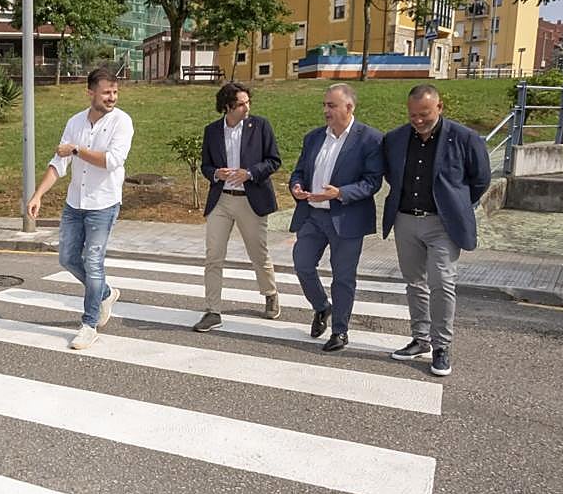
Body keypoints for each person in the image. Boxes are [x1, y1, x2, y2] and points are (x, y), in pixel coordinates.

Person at [381, 84, 490, 377]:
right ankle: (420, 339)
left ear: (439, 108)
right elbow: (392, 173)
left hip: (442, 223)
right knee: (414, 282)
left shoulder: (465, 138)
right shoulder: (395, 139)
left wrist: (456, 206)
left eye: (425, 114)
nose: (418, 120)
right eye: (413, 114)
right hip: (405, 219)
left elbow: (480, 180)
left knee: (442, 282)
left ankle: (442, 346)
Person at [27, 68, 134, 350]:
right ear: (90, 93)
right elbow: (58, 162)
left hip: (104, 203)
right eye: (106, 92)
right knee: (66, 258)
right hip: (75, 203)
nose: (112, 97)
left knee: (93, 262)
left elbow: (112, 161)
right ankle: (106, 293)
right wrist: (37, 195)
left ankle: (89, 324)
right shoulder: (75, 122)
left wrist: (75, 150)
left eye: (115, 92)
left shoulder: (122, 122)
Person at [288, 83, 384, 352]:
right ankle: (322, 307)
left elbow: (372, 182)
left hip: (347, 218)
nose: (325, 110)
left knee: (343, 278)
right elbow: (298, 171)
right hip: (313, 216)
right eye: (324, 105)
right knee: (302, 264)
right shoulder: (314, 137)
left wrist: (339, 193)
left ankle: (340, 331)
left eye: (331, 105)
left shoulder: (370, 139)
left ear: (349, 107)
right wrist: (296, 187)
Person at [192, 82, 282, 333]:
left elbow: (274, 160)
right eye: (241, 104)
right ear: (227, 107)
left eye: (248, 102)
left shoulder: (260, 126)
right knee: (213, 257)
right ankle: (212, 311)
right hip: (221, 200)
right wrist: (216, 174)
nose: (247, 107)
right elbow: (205, 166)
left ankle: (270, 292)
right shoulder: (212, 131)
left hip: (250, 199)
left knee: (258, 253)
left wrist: (250, 173)